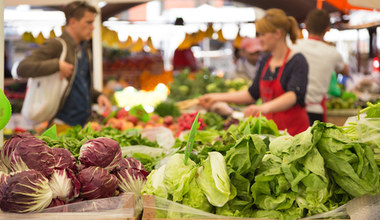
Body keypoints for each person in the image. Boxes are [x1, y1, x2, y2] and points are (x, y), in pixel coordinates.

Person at [199, 8, 309, 136]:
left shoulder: (297, 60)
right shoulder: (266, 60)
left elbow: (293, 95)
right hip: (270, 132)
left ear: (277, 34)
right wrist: (215, 97)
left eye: (262, 34)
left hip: (294, 133)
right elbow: (252, 93)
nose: (260, 39)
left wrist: (262, 108)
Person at [17, 1, 111, 127]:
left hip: (83, 125)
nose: (93, 27)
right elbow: (22, 68)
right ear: (72, 22)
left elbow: (79, 83)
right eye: (88, 22)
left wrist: (98, 95)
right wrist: (57, 65)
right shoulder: (57, 45)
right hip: (60, 125)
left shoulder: (84, 49)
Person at [291, 9, 349, 125]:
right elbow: (345, 70)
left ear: (306, 27)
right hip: (315, 112)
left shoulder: (294, 46)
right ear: (327, 29)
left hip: (292, 110)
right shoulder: (332, 53)